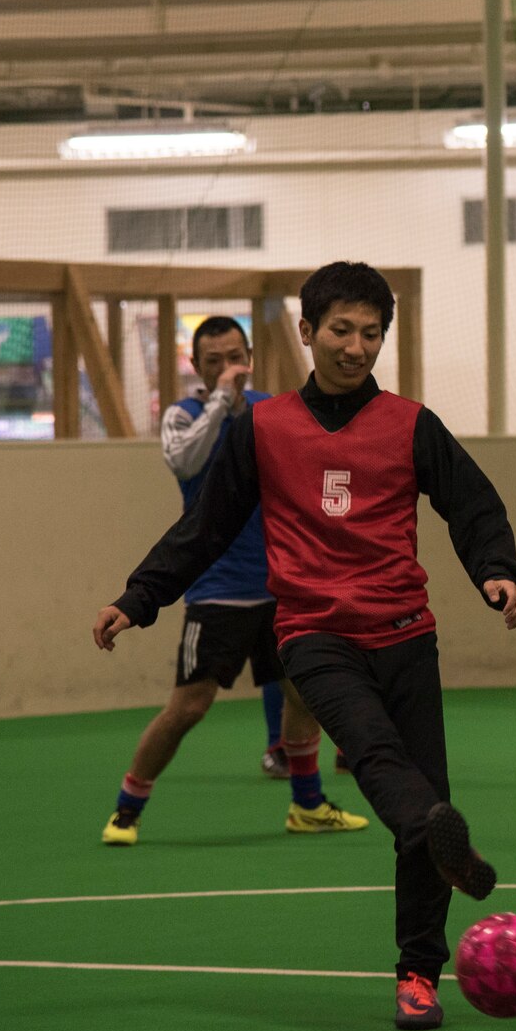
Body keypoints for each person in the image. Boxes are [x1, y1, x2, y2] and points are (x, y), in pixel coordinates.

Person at [94, 262, 516, 1031]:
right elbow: (207, 528)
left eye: (370, 333)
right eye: (340, 330)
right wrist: (140, 595)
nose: (356, 347)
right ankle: (437, 834)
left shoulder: (410, 422)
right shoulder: (263, 429)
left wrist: (496, 571)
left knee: (418, 790)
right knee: (374, 754)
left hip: (406, 634)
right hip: (316, 635)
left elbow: (473, 503)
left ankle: (419, 975)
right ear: (305, 332)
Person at [100, 315, 367, 844]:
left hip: (281, 589)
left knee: (303, 694)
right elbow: (184, 463)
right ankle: (127, 809)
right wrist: (222, 402)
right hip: (218, 593)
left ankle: (307, 804)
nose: (228, 368)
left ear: (249, 356)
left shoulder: (274, 409)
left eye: (235, 357)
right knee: (188, 708)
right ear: (197, 367)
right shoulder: (185, 415)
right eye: (214, 361)